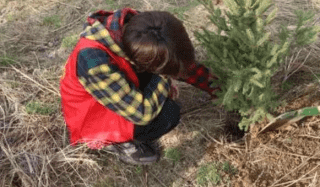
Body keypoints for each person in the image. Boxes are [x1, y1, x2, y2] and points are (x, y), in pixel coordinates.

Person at [60, 9, 219, 165]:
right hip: (94, 114)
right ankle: (114, 143)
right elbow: (141, 112)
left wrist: (217, 88)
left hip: (117, 85)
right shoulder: (94, 62)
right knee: (168, 114)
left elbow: (181, 64)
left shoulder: (142, 28)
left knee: (162, 89)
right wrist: (165, 79)